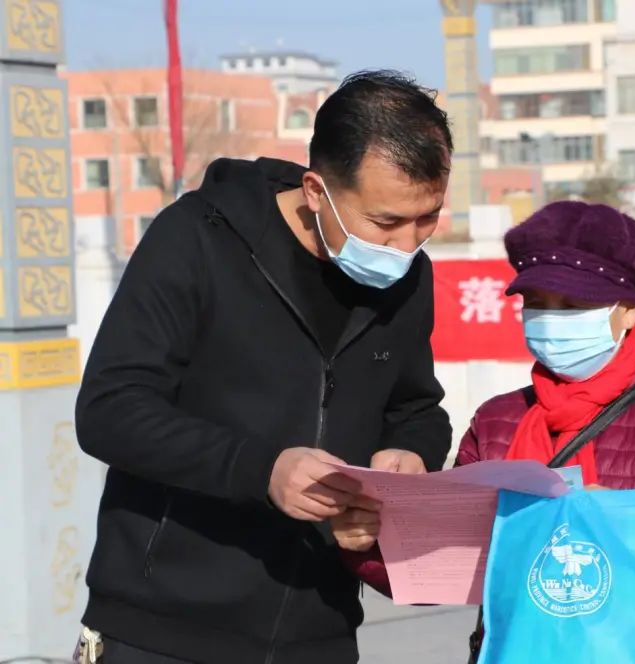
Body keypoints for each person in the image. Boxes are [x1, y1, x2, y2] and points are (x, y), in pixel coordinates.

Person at [74, 70, 452, 664]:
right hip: (162, 629)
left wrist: (409, 456)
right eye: (385, 223)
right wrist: (259, 470)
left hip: (320, 628)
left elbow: (416, 407)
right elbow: (109, 410)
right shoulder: (197, 239)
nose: (407, 246)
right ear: (316, 191)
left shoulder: (408, 278)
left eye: (427, 218)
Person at [332, 201, 635, 663]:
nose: (551, 320)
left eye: (573, 305)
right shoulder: (498, 421)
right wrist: (370, 543)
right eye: (536, 303)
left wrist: (626, 518)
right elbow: (456, 571)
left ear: (630, 310)